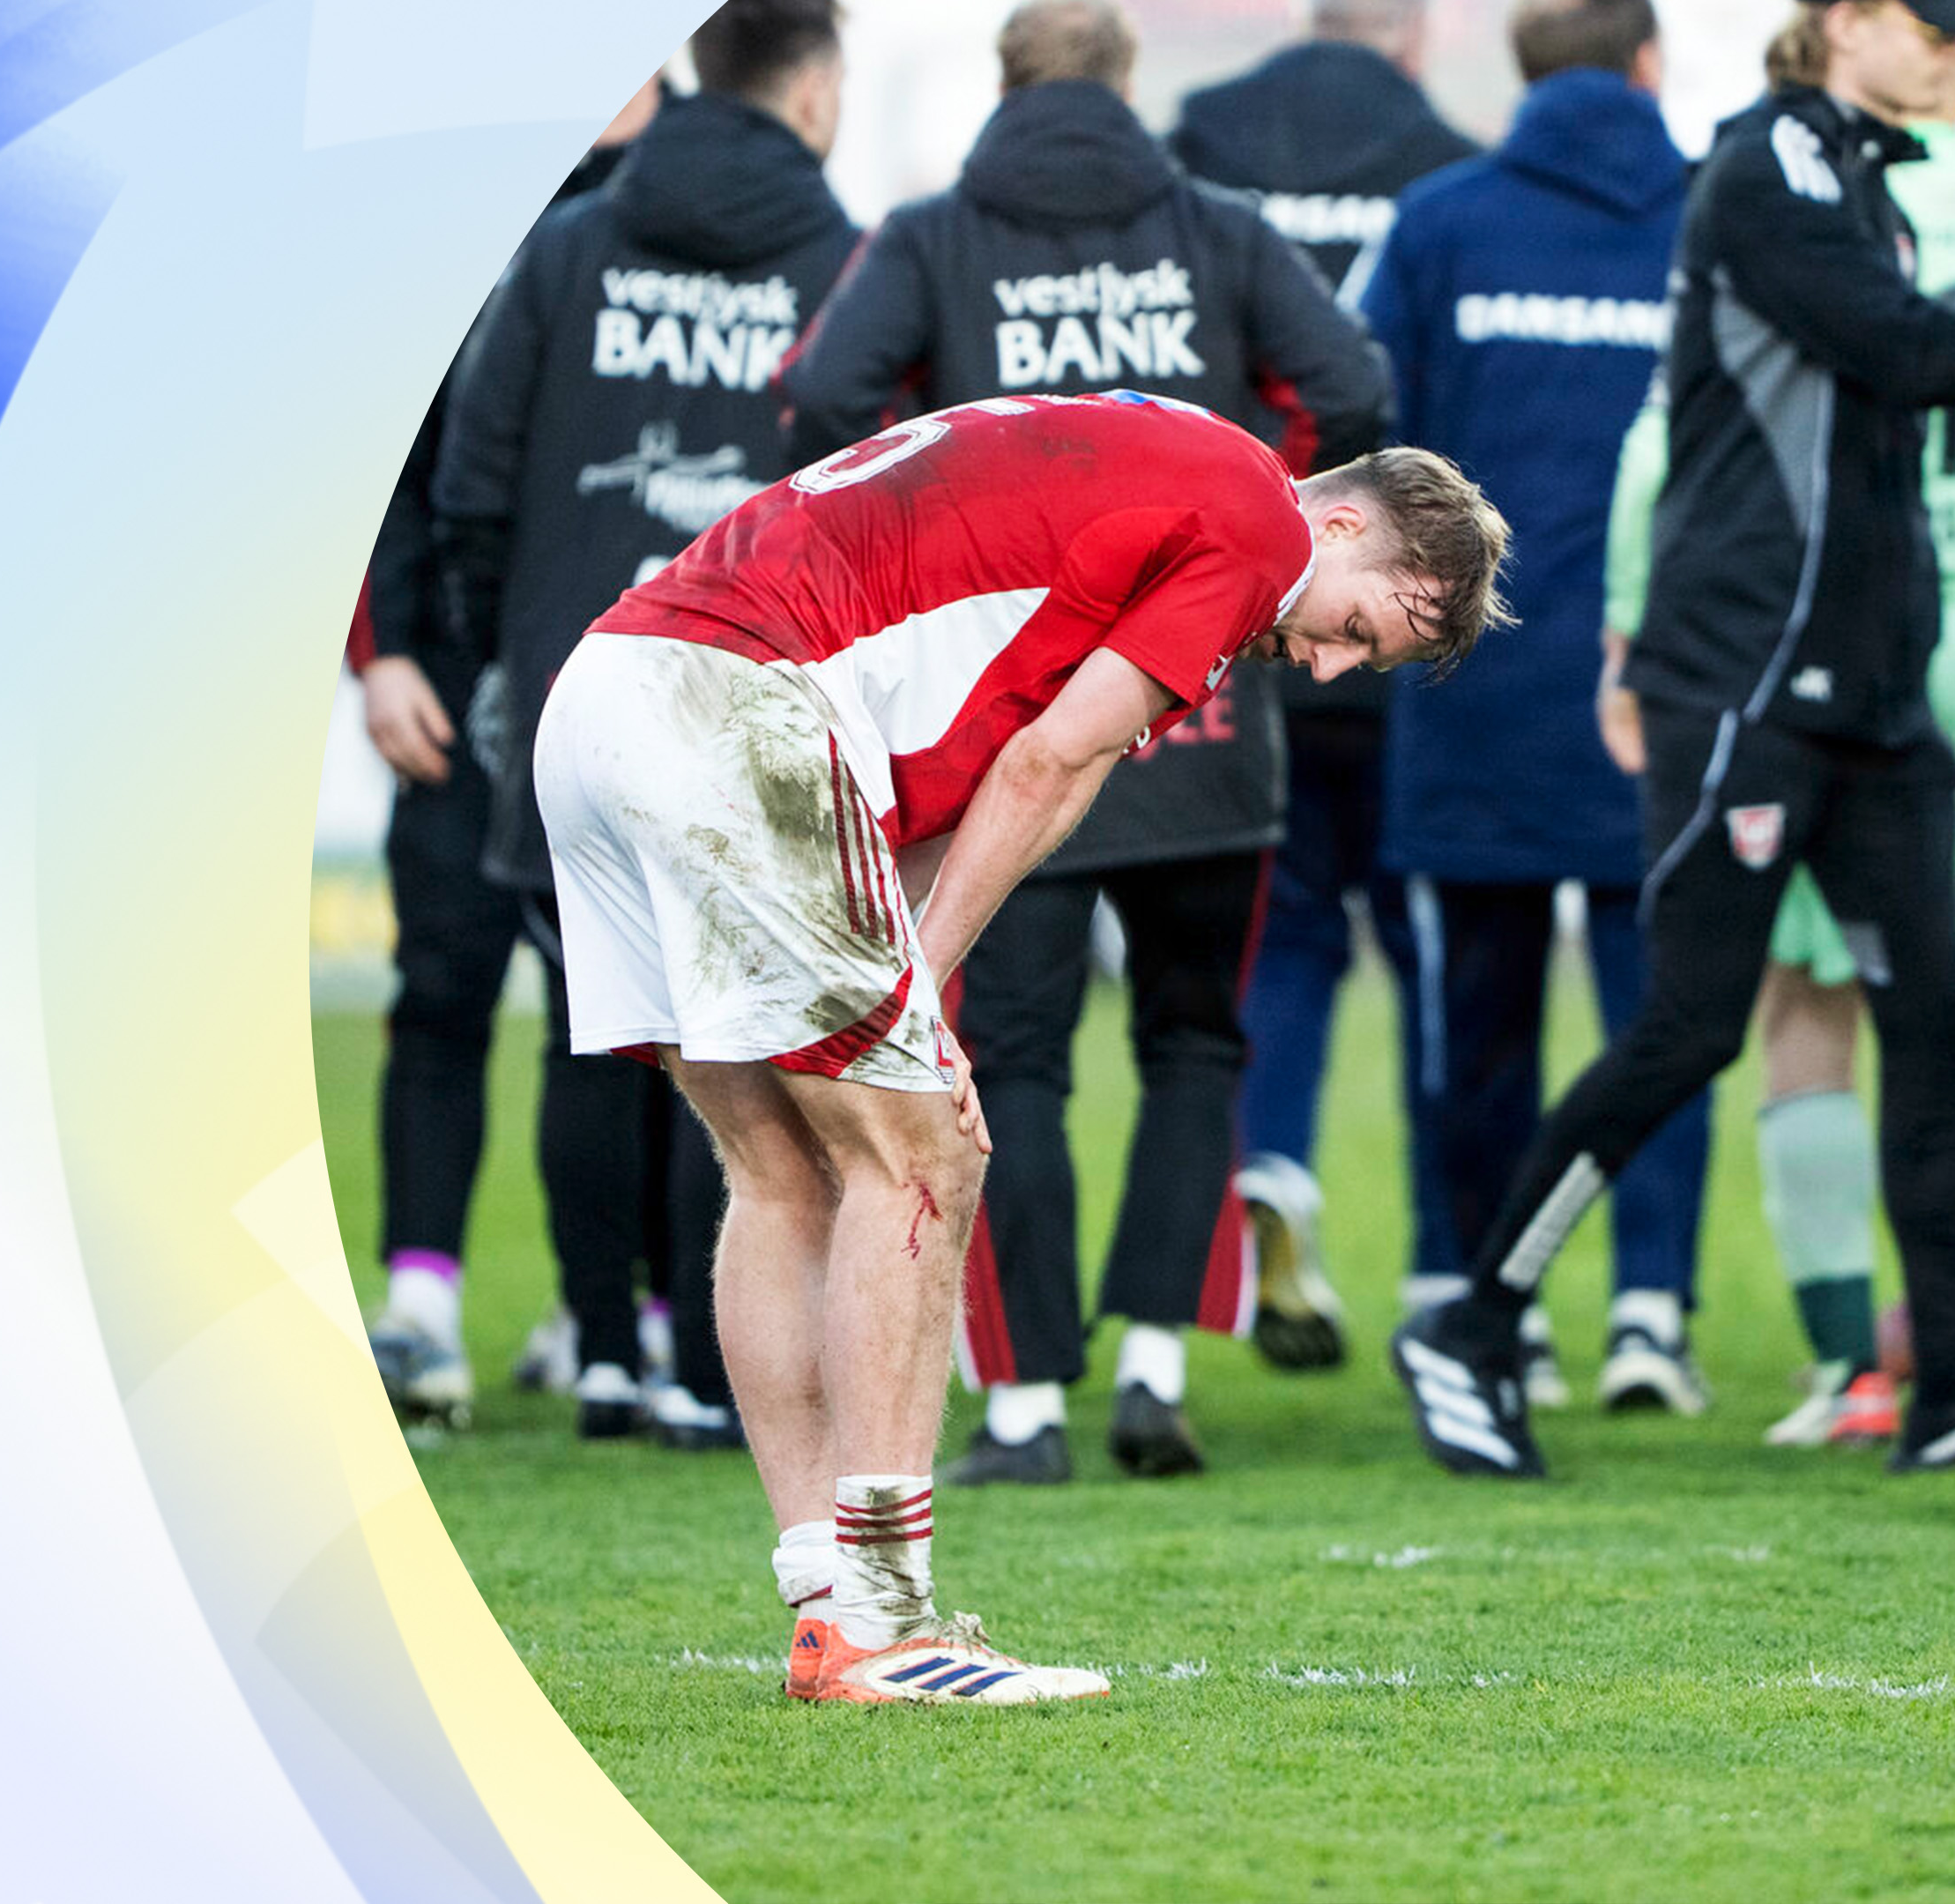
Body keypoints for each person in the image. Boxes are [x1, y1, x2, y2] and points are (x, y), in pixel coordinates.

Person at [536, 390, 1511, 1701]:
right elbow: (1053, 762)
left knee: (783, 1173)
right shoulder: (1260, 529)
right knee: (922, 1155)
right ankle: (887, 1623)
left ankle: (827, 1605)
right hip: (737, 703)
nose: (1329, 667)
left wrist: (905, 977)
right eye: (1357, 630)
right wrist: (922, 988)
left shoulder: (1167, 461)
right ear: (1339, 528)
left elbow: (946, 766)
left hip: (611, 688)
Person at [781, 0, 1390, 1484]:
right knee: (1195, 1044)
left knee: (1013, 1055)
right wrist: (1250, 533)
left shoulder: (932, 237)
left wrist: (933, 537)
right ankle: (1157, 1374)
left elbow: (828, 396)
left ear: (1008, 84)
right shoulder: (1221, 229)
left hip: (1020, 702)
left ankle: (1025, 1408)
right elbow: (1354, 388)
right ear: (1124, 82)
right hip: (1205, 705)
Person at [1392, 0, 1955, 1480]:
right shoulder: (1765, 166)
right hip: (1747, 687)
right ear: (1846, 22)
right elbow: (1908, 351)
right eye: (1933, 24)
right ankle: (1476, 1325)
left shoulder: (1873, 174)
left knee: (1936, 1027)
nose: (1951, 50)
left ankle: (1943, 1397)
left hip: (1877, 699)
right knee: (1692, 1027)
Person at [431, 0, 859, 1446]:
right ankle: (697, 1362)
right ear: (814, 93)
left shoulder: (566, 247)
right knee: (733, 1041)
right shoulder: (843, 260)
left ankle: (607, 1353)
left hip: (575, 692)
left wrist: (510, 650)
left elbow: (473, 478)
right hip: (753, 698)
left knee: (592, 1024)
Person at [1594, 22, 1955, 1447]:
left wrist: (1633, 633)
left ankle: (1851, 1362)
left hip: (1828, 636)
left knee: (1807, 1005)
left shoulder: (1806, 173)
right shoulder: (1869, 169)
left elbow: (1668, 440)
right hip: (1890, 621)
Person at [1358, 0, 1713, 1417]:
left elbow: (1359, 426)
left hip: (1474, 695)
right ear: (1649, 63)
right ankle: (1650, 1313)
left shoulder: (1440, 223)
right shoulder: (1712, 214)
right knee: (1664, 1025)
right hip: (1666, 691)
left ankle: (1484, 1307)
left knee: (1479, 1036)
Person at [1171, 0, 1481, 1365]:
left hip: (1254, 623)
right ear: (1413, 35)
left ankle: (1276, 1170)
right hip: (1403, 630)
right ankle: (1442, 1262)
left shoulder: (1201, 150)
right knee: (1430, 955)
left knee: (1283, 933)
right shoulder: (1450, 168)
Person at [359, 76, 665, 1430]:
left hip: (626, 686)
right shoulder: (455, 206)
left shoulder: (700, 195)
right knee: (444, 988)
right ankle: (421, 1304)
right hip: (457, 688)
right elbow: (384, 461)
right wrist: (383, 653)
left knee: (626, 1012)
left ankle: (612, 1307)